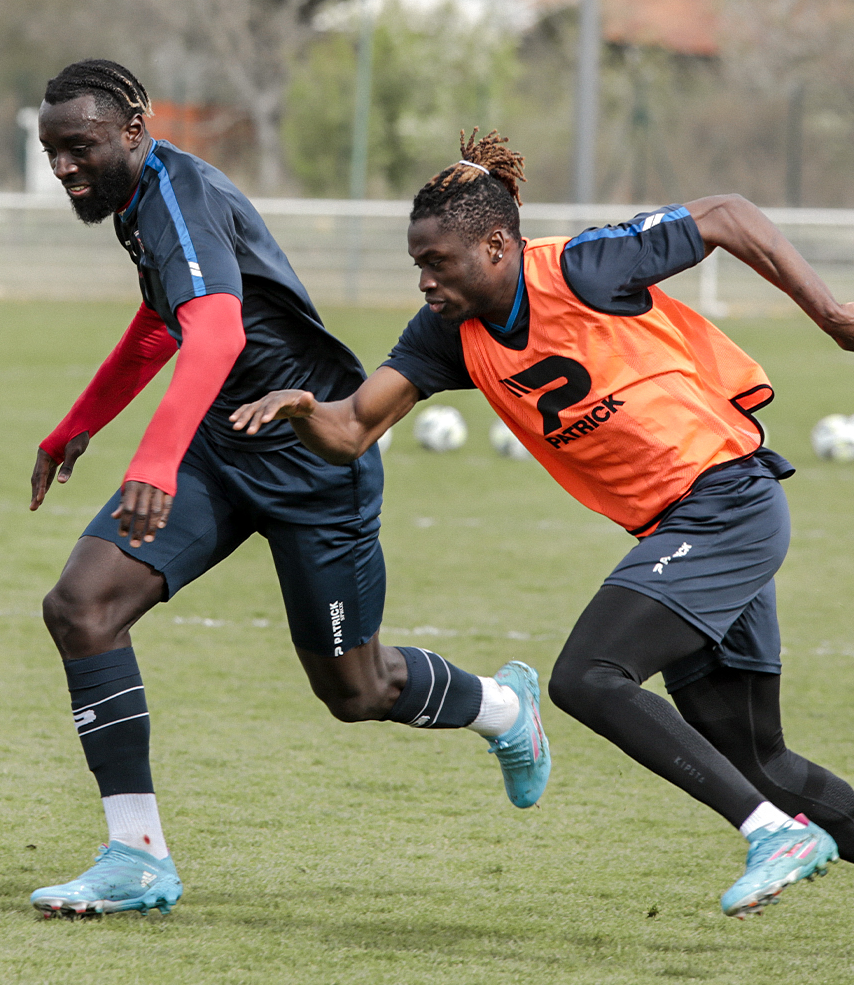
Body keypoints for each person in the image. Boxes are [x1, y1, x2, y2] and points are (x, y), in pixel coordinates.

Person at [233, 130, 854, 918]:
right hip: (678, 532)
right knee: (760, 759)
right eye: (417, 264)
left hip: (726, 504)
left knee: (587, 677)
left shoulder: (585, 269)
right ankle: (778, 813)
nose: (424, 280)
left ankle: (773, 835)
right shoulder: (447, 333)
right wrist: (300, 410)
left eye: (438, 263)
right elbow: (353, 428)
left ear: (496, 244)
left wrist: (832, 313)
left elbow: (727, 213)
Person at [26, 61, 550, 918]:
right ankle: (137, 856)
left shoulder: (176, 197)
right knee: (81, 608)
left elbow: (218, 332)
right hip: (223, 444)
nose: (62, 167)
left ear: (133, 129)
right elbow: (167, 321)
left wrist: (151, 461)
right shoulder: (142, 203)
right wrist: (80, 423)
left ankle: (502, 707)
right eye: (51, 150)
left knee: (356, 691)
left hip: (312, 455)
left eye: (77, 146)